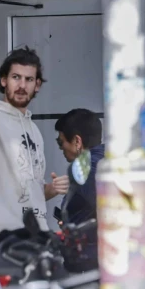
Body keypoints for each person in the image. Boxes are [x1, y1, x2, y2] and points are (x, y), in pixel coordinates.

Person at [0, 47, 68, 266]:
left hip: (36, 239)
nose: (21, 85)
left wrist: (50, 190)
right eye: (15, 77)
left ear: (37, 85)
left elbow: (25, 191)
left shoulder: (33, 130)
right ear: (3, 81)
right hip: (0, 240)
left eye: (29, 79)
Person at [54, 108, 104, 271]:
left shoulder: (86, 169)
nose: (61, 148)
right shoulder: (106, 162)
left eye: (61, 142)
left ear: (77, 141)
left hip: (90, 262)